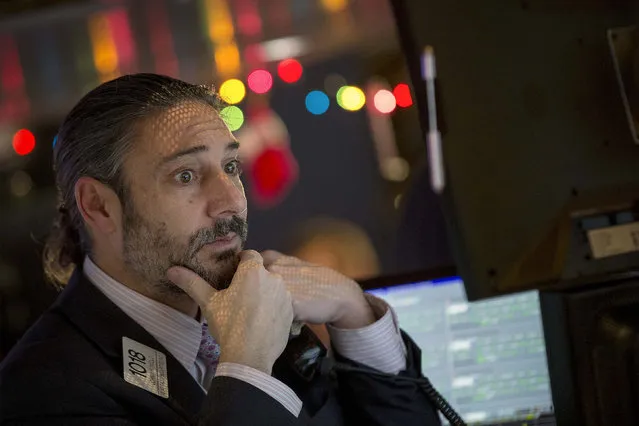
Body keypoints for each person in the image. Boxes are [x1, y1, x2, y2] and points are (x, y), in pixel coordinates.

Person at [0, 74, 442, 425]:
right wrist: (246, 365)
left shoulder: (260, 311)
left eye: (231, 166)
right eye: (186, 176)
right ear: (99, 205)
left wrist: (355, 313)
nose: (230, 201)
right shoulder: (42, 390)